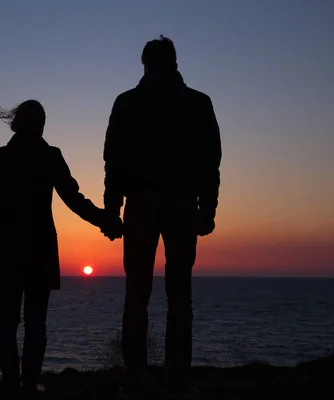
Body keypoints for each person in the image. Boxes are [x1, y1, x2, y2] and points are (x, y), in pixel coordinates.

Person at [102, 36, 222, 399]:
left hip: (141, 205)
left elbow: (114, 161)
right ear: (173, 61)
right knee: (179, 296)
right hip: (182, 206)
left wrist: (112, 209)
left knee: (136, 295)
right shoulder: (198, 103)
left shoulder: (128, 102)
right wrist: (207, 208)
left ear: (145, 63)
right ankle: (176, 379)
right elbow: (209, 162)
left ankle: (135, 379)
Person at [0, 100, 122, 399]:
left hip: (6, 250)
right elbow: (73, 198)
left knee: (7, 321)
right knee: (35, 321)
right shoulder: (49, 156)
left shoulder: (2, 156)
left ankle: (11, 384)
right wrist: (105, 220)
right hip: (39, 250)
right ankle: (29, 383)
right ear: (39, 123)